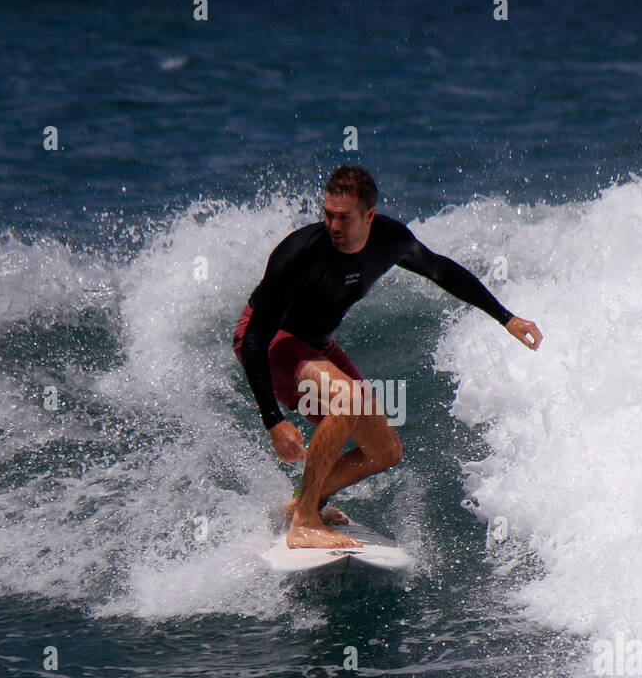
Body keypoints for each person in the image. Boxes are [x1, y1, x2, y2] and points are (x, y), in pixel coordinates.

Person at [232, 165, 542, 548]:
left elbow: (440, 269)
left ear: (369, 216)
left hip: (316, 343)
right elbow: (254, 340)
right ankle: (305, 523)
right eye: (328, 214)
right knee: (345, 399)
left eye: (343, 217)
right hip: (271, 338)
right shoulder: (298, 255)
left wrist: (506, 317)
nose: (333, 225)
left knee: (384, 450)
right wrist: (273, 421)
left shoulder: (390, 240)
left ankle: (301, 504)